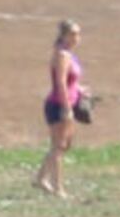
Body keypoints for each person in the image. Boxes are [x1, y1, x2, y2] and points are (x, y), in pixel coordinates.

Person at [34, 19, 87, 199]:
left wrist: (80, 90)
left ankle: (41, 178)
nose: (76, 38)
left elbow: (72, 82)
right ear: (63, 35)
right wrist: (66, 107)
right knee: (58, 146)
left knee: (64, 145)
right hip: (58, 104)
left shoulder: (70, 55)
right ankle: (58, 188)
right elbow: (60, 82)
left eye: (78, 34)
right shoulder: (62, 55)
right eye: (72, 34)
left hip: (68, 102)